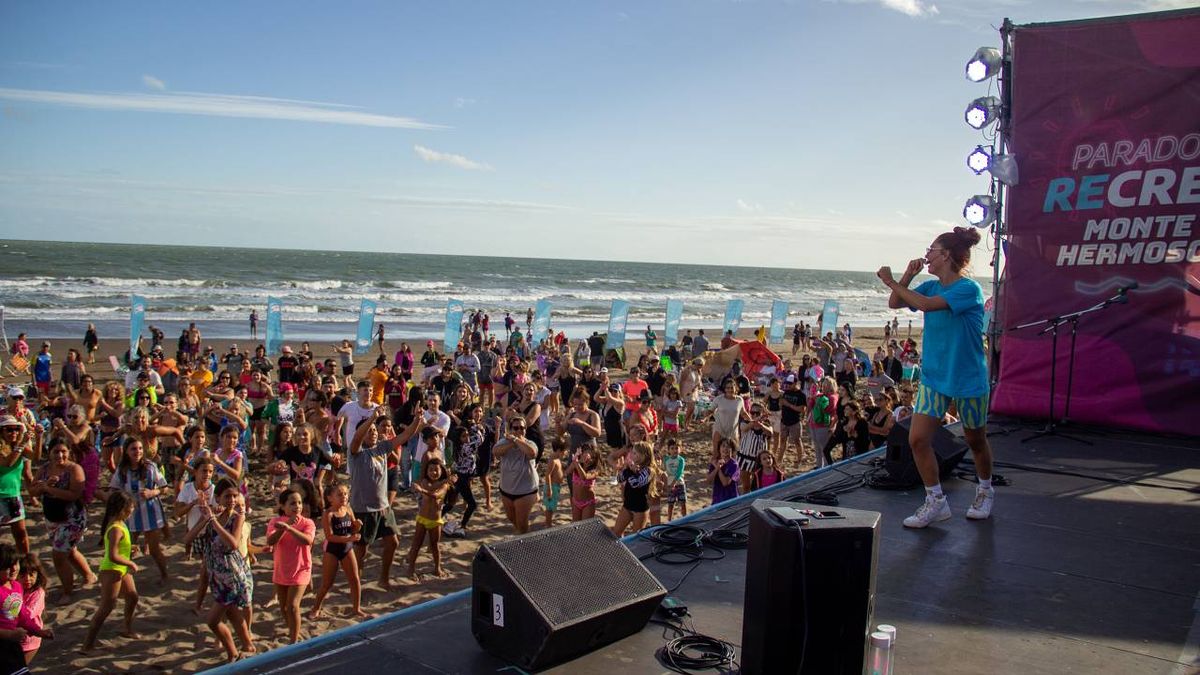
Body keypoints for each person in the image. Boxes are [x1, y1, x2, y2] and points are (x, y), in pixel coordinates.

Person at [879, 226, 995, 528]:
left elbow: (926, 306)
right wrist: (906, 277)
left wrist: (891, 280)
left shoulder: (968, 289)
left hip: (967, 378)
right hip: (934, 377)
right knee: (917, 440)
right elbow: (896, 303)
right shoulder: (931, 286)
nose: (926, 254)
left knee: (975, 440)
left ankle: (984, 490)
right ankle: (935, 501)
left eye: (931, 250)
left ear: (945, 255)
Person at [185, 478, 254, 662]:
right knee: (231, 613)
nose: (231, 500)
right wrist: (204, 518)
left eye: (234, 495)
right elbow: (188, 539)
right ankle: (246, 646)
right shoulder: (213, 516)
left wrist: (214, 522)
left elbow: (232, 543)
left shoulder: (237, 518)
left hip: (230, 574)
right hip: (216, 573)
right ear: (218, 498)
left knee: (212, 621)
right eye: (227, 496)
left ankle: (233, 650)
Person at [30, 437, 93, 603]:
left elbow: (74, 494)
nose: (60, 455)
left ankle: (68, 592)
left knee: (58, 555)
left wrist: (49, 489)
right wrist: (43, 485)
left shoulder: (74, 469)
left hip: (72, 519)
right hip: (52, 518)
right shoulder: (44, 469)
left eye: (63, 451)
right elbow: (33, 490)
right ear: (50, 453)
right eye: (56, 451)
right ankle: (89, 575)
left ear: (69, 452)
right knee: (70, 552)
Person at [81, 491, 140, 653]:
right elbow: (113, 556)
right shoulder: (115, 528)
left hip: (120, 569)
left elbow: (119, 549)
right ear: (122, 509)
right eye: (131, 507)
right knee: (106, 607)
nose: (132, 510)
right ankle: (87, 645)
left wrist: (130, 550)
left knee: (132, 597)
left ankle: (126, 628)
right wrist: (130, 562)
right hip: (112, 570)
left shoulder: (121, 523)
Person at [307, 483, 365, 619]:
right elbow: (330, 537)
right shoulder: (328, 514)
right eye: (339, 494)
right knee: (327, 583)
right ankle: (316, 607)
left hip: (346, 548)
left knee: (355, 579)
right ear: (330, 498)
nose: (343, 496)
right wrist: (350, 538)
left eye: (345, 493)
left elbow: (352, 529)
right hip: (332, 550)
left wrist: (357, 526)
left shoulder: (348, 509)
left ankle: (356, 608)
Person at [266, 489, 315, 644]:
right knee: (284, 608)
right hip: (281, 570)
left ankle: (294, 641)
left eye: (299, 502)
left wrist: (290, 528)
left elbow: (307, 540)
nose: (297, 506)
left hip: (301, 569)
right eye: (292, 503)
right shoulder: (275, 522)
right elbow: (271, 541)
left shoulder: (308, 522)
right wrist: (285, 526)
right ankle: (292, 630)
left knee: (293, 606)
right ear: (283, 505)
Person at [0, 544, 53, 672]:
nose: (14, 569)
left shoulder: (17, 587)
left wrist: (38, 631)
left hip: (12, 645)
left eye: (16, 564)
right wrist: (9, 634)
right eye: (7, 566)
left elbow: (21, 616)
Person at [405, 455, 453, 580]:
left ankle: (437, 568)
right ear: (426, 471)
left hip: (436, 520)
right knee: (416, 544)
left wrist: (445, 481)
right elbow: (430, 488)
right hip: (422, 518)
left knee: (435, 545)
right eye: (430, 470)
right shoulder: (425, 482)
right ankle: (411, 570)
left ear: (441, 471)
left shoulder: (445, 486)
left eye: (436, 470)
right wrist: (446, 479)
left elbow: (436, 495)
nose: (433, 472)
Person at [0, 412, 38, 555]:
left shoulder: (18, 446)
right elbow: (7, 463)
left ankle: (25, 563)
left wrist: (39, 438)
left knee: (21, 535)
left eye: (16, 429)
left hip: (13, 495)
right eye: (9, 429)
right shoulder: (14, 447)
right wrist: (22, 443)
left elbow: (36, 456)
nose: (14, 432)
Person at [493, 414, 539, 534]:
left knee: (522, 523)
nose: (519, 430)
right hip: (506, 489)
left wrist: (516, 440)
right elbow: (496, 452)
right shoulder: (504, 442)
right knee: (511, 518)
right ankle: (521, 535)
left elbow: (532, 453)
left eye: (522, 428)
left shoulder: (530, 443)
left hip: (526, 491)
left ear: (525, 430)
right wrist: (513, 443)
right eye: (516, 428)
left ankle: (524, 544)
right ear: (510, 429)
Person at [611, 442, 658, 537]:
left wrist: (629, 472)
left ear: (644, 456)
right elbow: (617, 480)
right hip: (627, 505)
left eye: (635, 453)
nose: (631, 455)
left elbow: (635, 483)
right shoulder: (630, 468)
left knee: (635, 537)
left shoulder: (648, 471)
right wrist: (618, 469)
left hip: (640, 509)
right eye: (632, 452)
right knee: (616, 533)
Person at [17, 553, 49, 666]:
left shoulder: (38, 593)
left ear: (38, 575)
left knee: (18, 669)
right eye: (23, 575)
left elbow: (28, 615)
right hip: (12, 638)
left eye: (31, 574)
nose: (27, 579)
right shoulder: (14, 589)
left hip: (29, 642)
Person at [541, 440, 565, 529]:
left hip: (556, 486)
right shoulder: (553, 460)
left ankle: (548, 521)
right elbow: (548, 475)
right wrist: (550, 489)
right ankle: (548, 524)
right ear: (559, 450)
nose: (565, 453)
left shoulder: (557, 459)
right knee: (550, 507)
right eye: (564, 451)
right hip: (552, 486)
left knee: (551, 506)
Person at [708, 439, 739, 505]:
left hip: (731, 500)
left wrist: (718, 468)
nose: (725, 448)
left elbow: (725, 482)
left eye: (728, 447)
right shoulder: (715, 462)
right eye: (723, 446)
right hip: (717, 499)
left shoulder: (734, 464)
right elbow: (708, 481)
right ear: (719, 448)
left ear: (732, 449)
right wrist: (716, 468)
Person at [662, 438, 687, 520]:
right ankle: (669, 520)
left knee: (683, 503)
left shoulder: (681, 460)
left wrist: (673, 483)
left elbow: (679, 472)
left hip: (680, 484)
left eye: (676, 448)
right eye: (672, 448)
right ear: (668, 450)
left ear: (680, 449)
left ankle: (685, 518)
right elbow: (663, 471)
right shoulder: (666, 460)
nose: (674, 450)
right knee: (670, 504)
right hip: (670, 485)